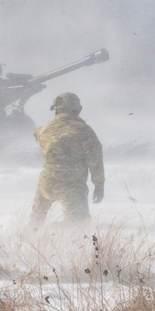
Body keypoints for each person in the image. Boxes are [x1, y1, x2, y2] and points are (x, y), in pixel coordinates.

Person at [29, 91, 105, 228]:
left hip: (46, 181)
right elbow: (95, 161)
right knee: (79, 224)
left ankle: (26, 240)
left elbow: (40, 139)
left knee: (36, 221)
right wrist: (99, 185)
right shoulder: (85, 131)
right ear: (77, 110)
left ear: (56, 109)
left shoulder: (43, 129)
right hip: (71, 183)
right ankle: (57, 232)